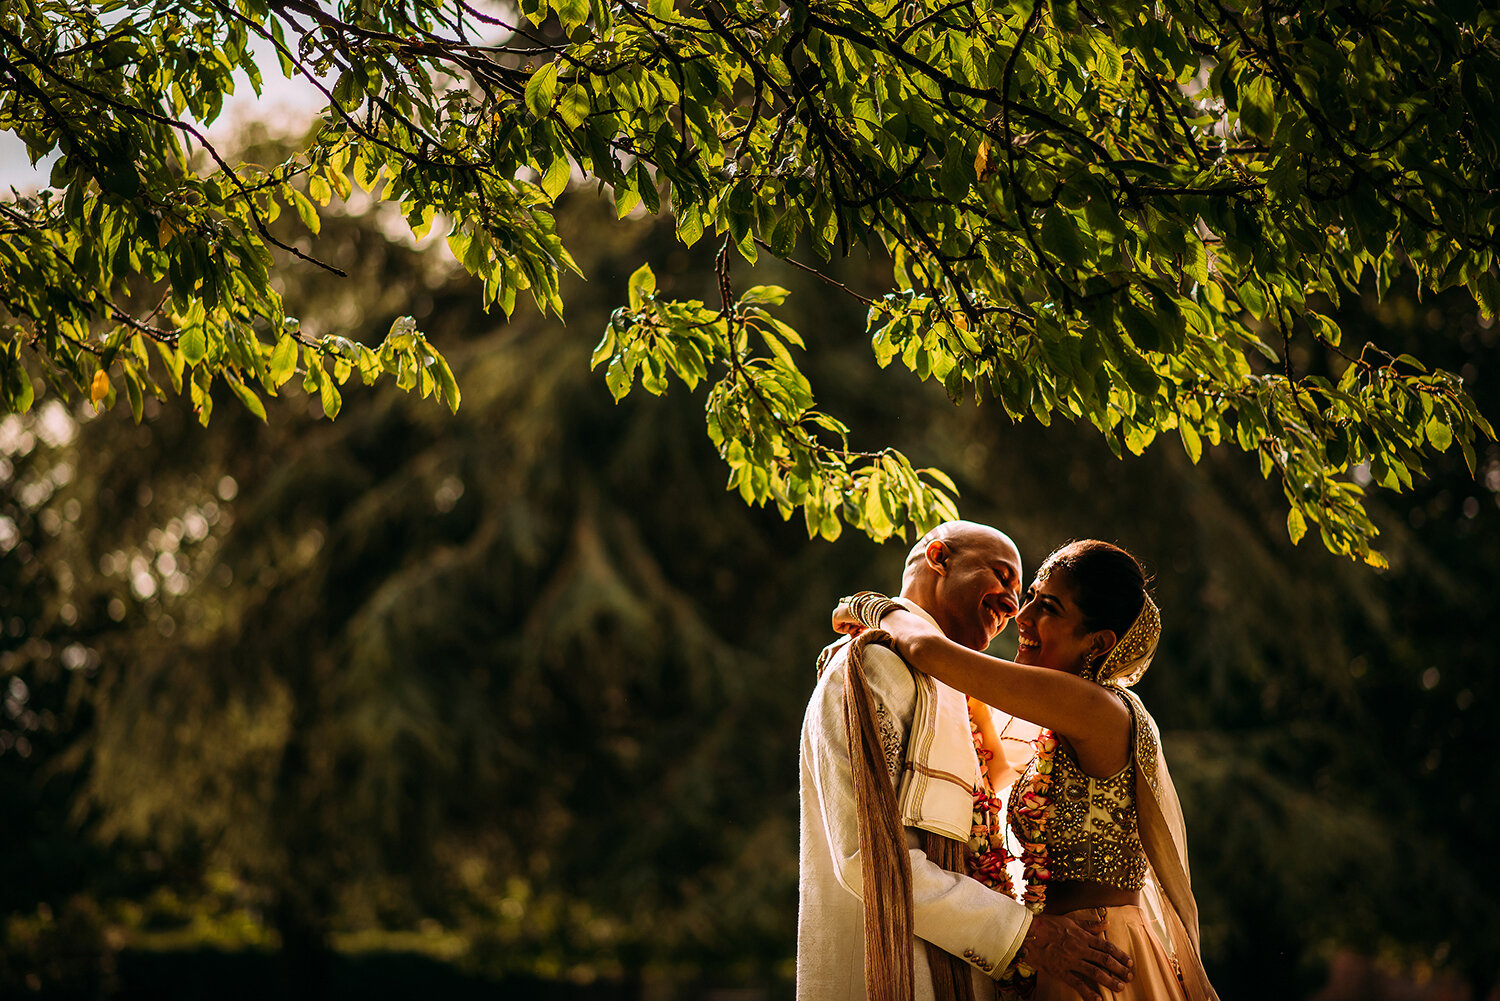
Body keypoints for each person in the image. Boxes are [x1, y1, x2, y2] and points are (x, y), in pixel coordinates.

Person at [834, 540, 1219, 1001]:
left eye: (1049, 607)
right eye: (1032, 595)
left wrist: (873, 607)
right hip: (1069, 952)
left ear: (1098, 643)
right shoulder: (1063, 723)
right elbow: (980, 754)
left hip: (1101, 959)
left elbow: (928, 650)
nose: (1022, 615)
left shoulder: (1096, 708)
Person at [799, 521, 1134, 1001]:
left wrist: (875, 609)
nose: (1014, 607)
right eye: (1002, 578)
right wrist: (1027, 936)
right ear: (938, 557)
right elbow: (867, 858)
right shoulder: (872, 668)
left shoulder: (958, 688)